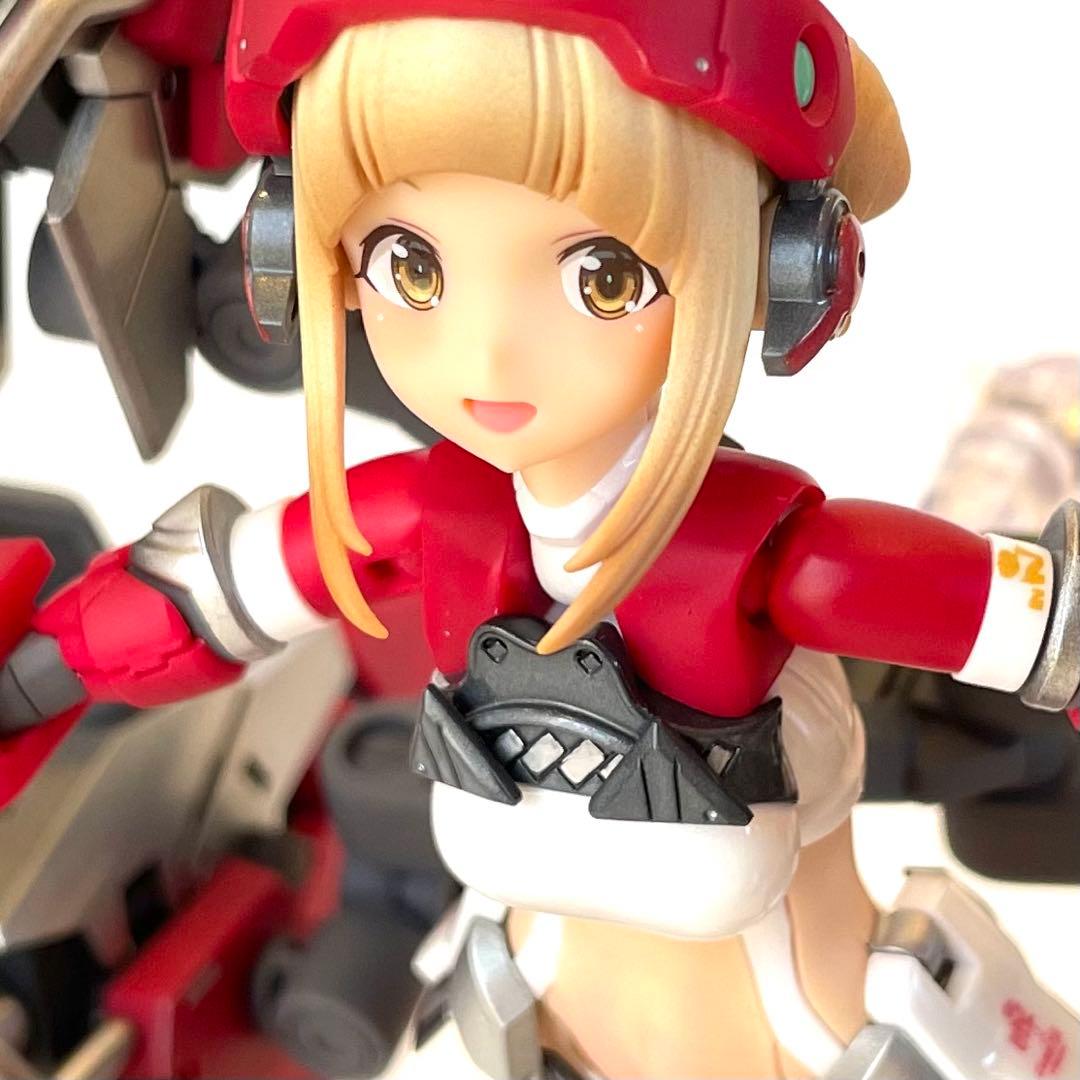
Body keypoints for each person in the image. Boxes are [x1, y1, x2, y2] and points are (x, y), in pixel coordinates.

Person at [1, 3, 1076, 1076]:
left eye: (602, 278)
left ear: (792, 275)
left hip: (804, 1032)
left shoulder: (761, 557)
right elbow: (206, 595)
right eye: (411, 267)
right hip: (522, 1006)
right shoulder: (439, 519)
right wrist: (34, 677)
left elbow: (1026, 621)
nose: (487, 354)